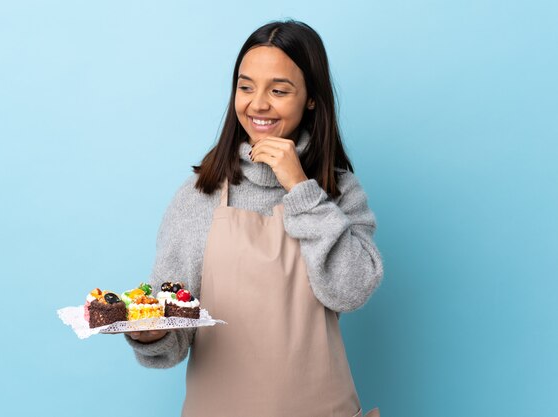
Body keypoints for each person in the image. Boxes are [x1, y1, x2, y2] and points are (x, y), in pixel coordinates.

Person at [126, 20, 383, 417]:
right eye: (246, 87)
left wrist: (300, 187)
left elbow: (351, 291)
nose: (258, 104)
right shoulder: (200, 194)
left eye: (278, 90)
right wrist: (153, 332)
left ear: (311, 98)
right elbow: (172, 333)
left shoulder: (338, 191)